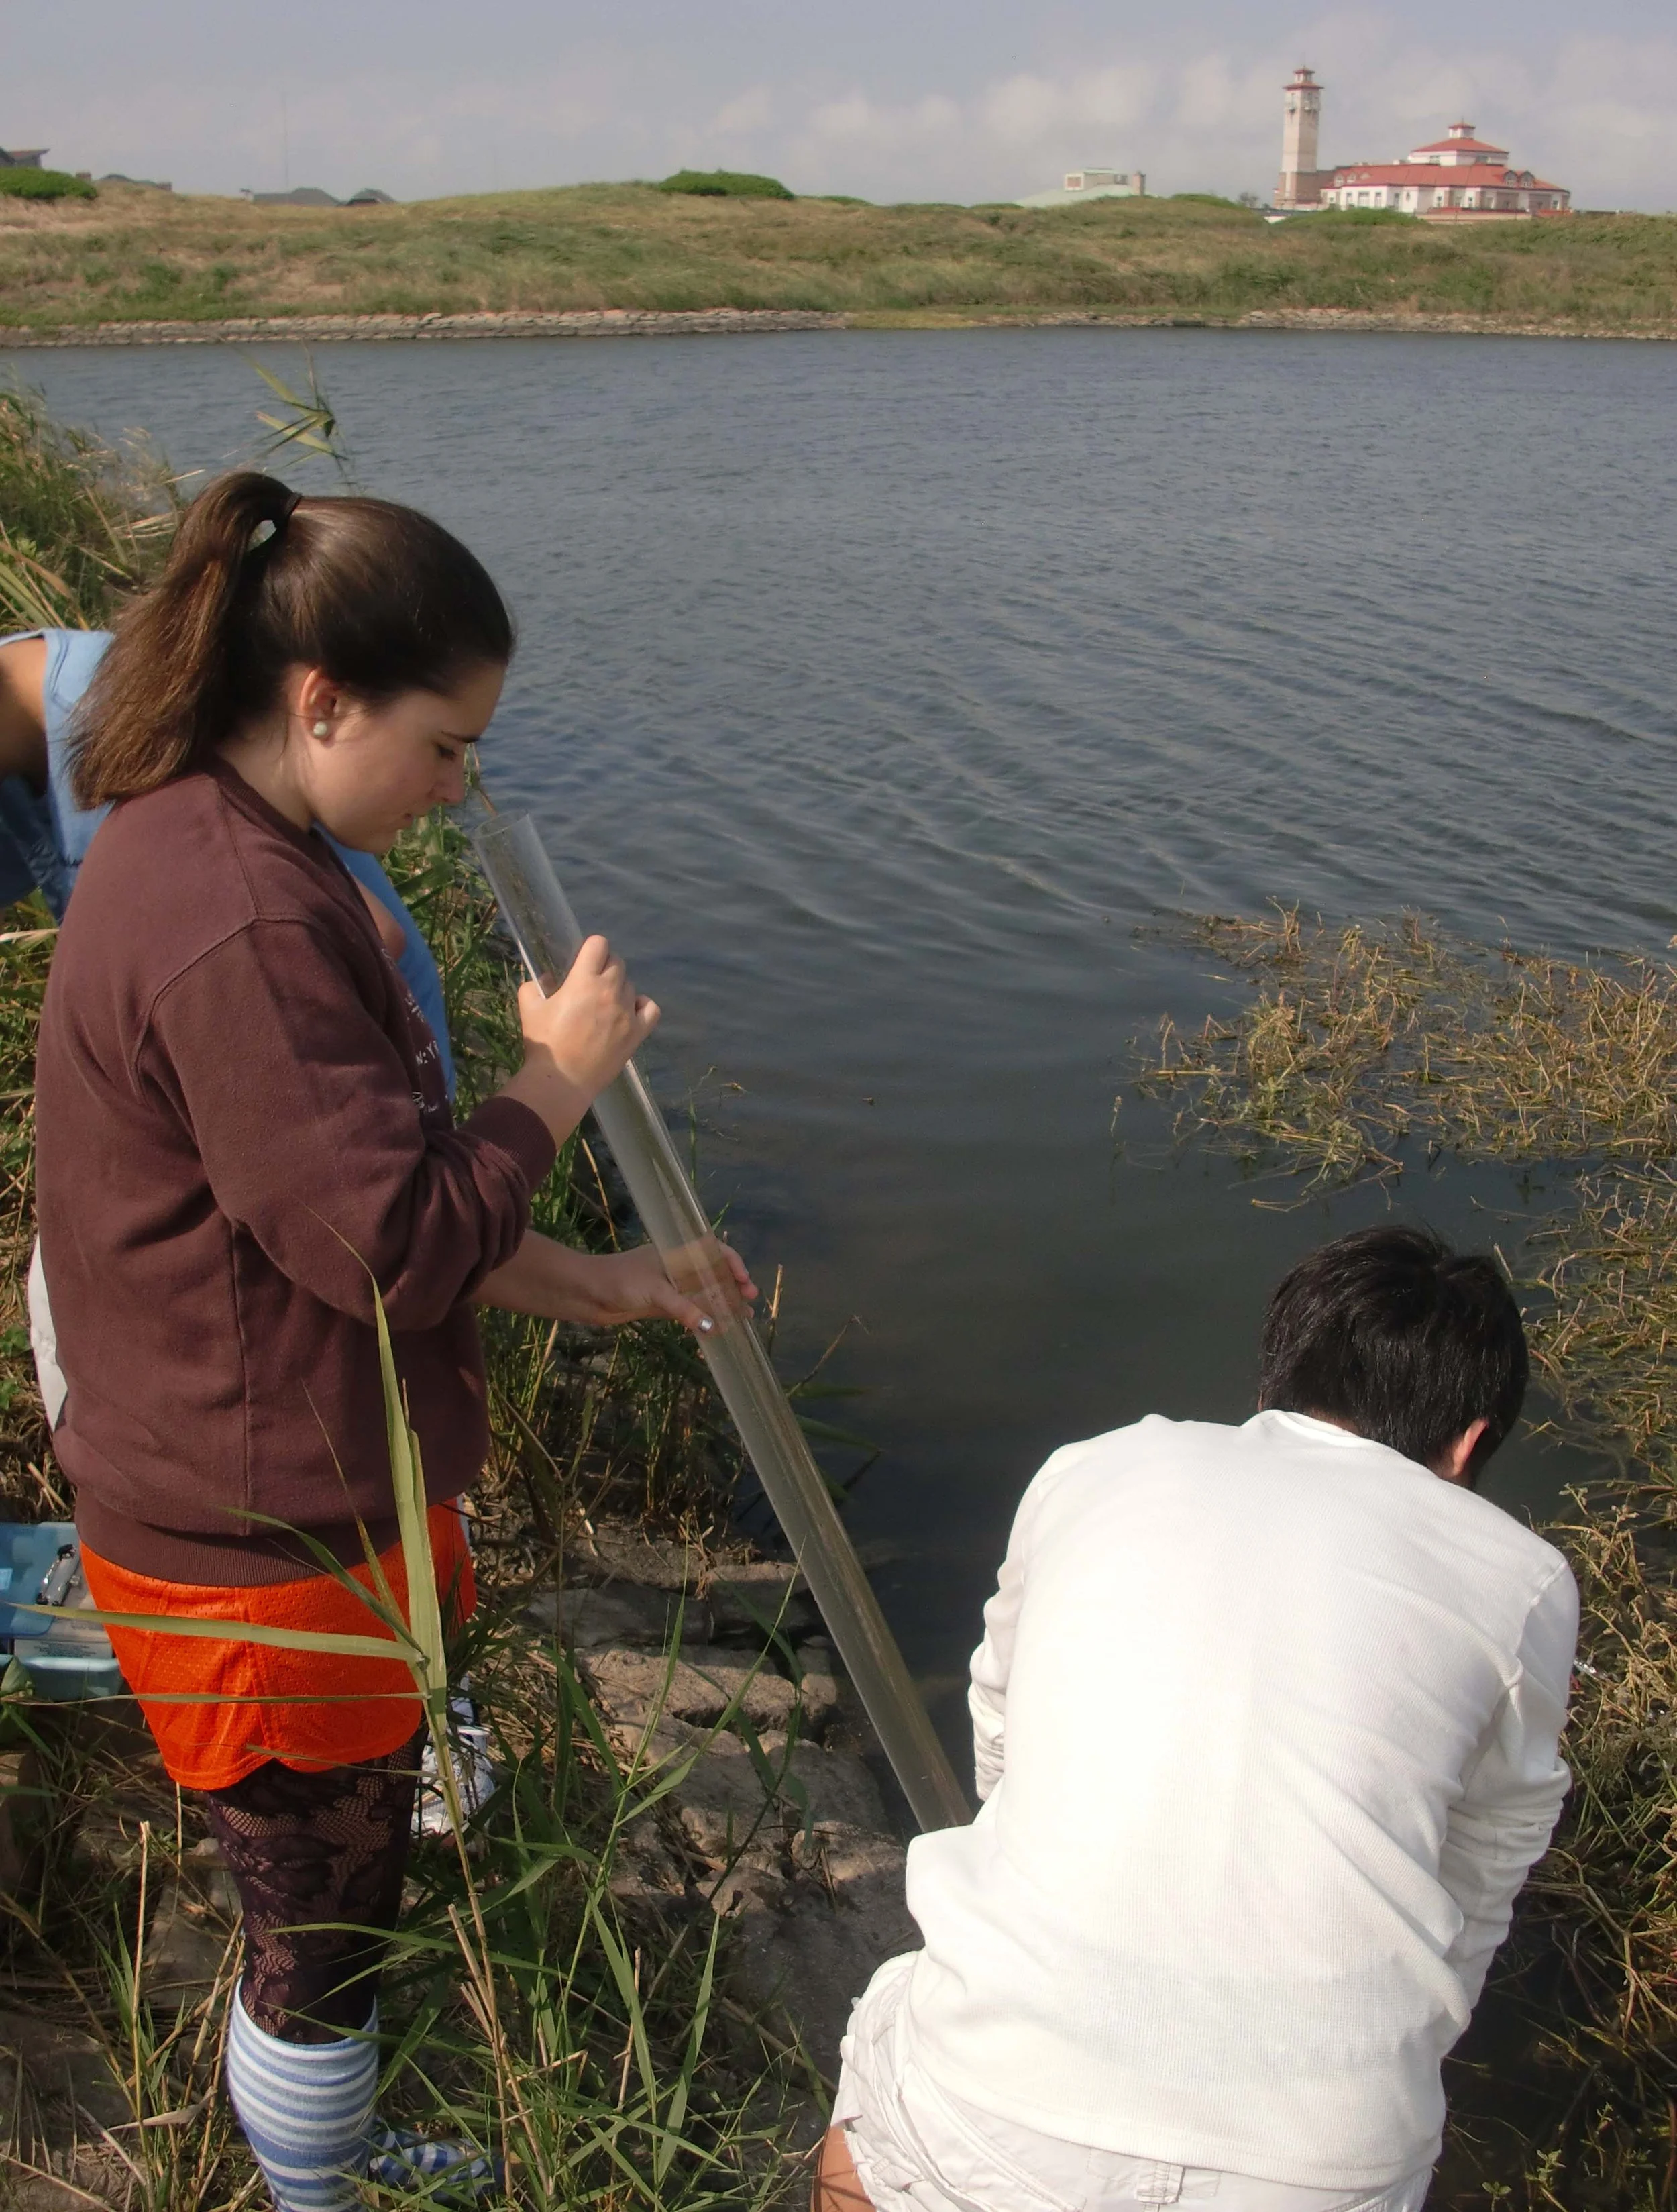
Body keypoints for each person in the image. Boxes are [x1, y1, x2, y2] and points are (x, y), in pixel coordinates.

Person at [31, 471, 756, 2212]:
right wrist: (557, 1083)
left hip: (265, 1476)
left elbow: (315, 1206)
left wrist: (591, 1280)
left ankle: (325, 2141)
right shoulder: (241, 916)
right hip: (255, 1540)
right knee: (321, 1924)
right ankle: (318, 2187)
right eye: (445, 747)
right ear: (321, 701)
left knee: (321, 1880)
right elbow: (382, 1241)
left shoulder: (227, 837)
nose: (457, 791)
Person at [820, 1226, 1577, 2212]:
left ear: (1274, 1384)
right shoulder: (1523, 1578)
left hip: (993, 2109)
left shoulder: (1091, 1468)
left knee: (874, 2121)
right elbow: (1485, 1866)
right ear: (1472, 1441)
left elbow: (999, 1724)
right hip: (1318, 2168)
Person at [1, 621, 459, 1432]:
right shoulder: (89, 707)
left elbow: (355, 939)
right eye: (446, 753)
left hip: (321, 1248)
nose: (454, 788)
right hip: (336, 1217)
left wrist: (550, 1093)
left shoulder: (137, 742)